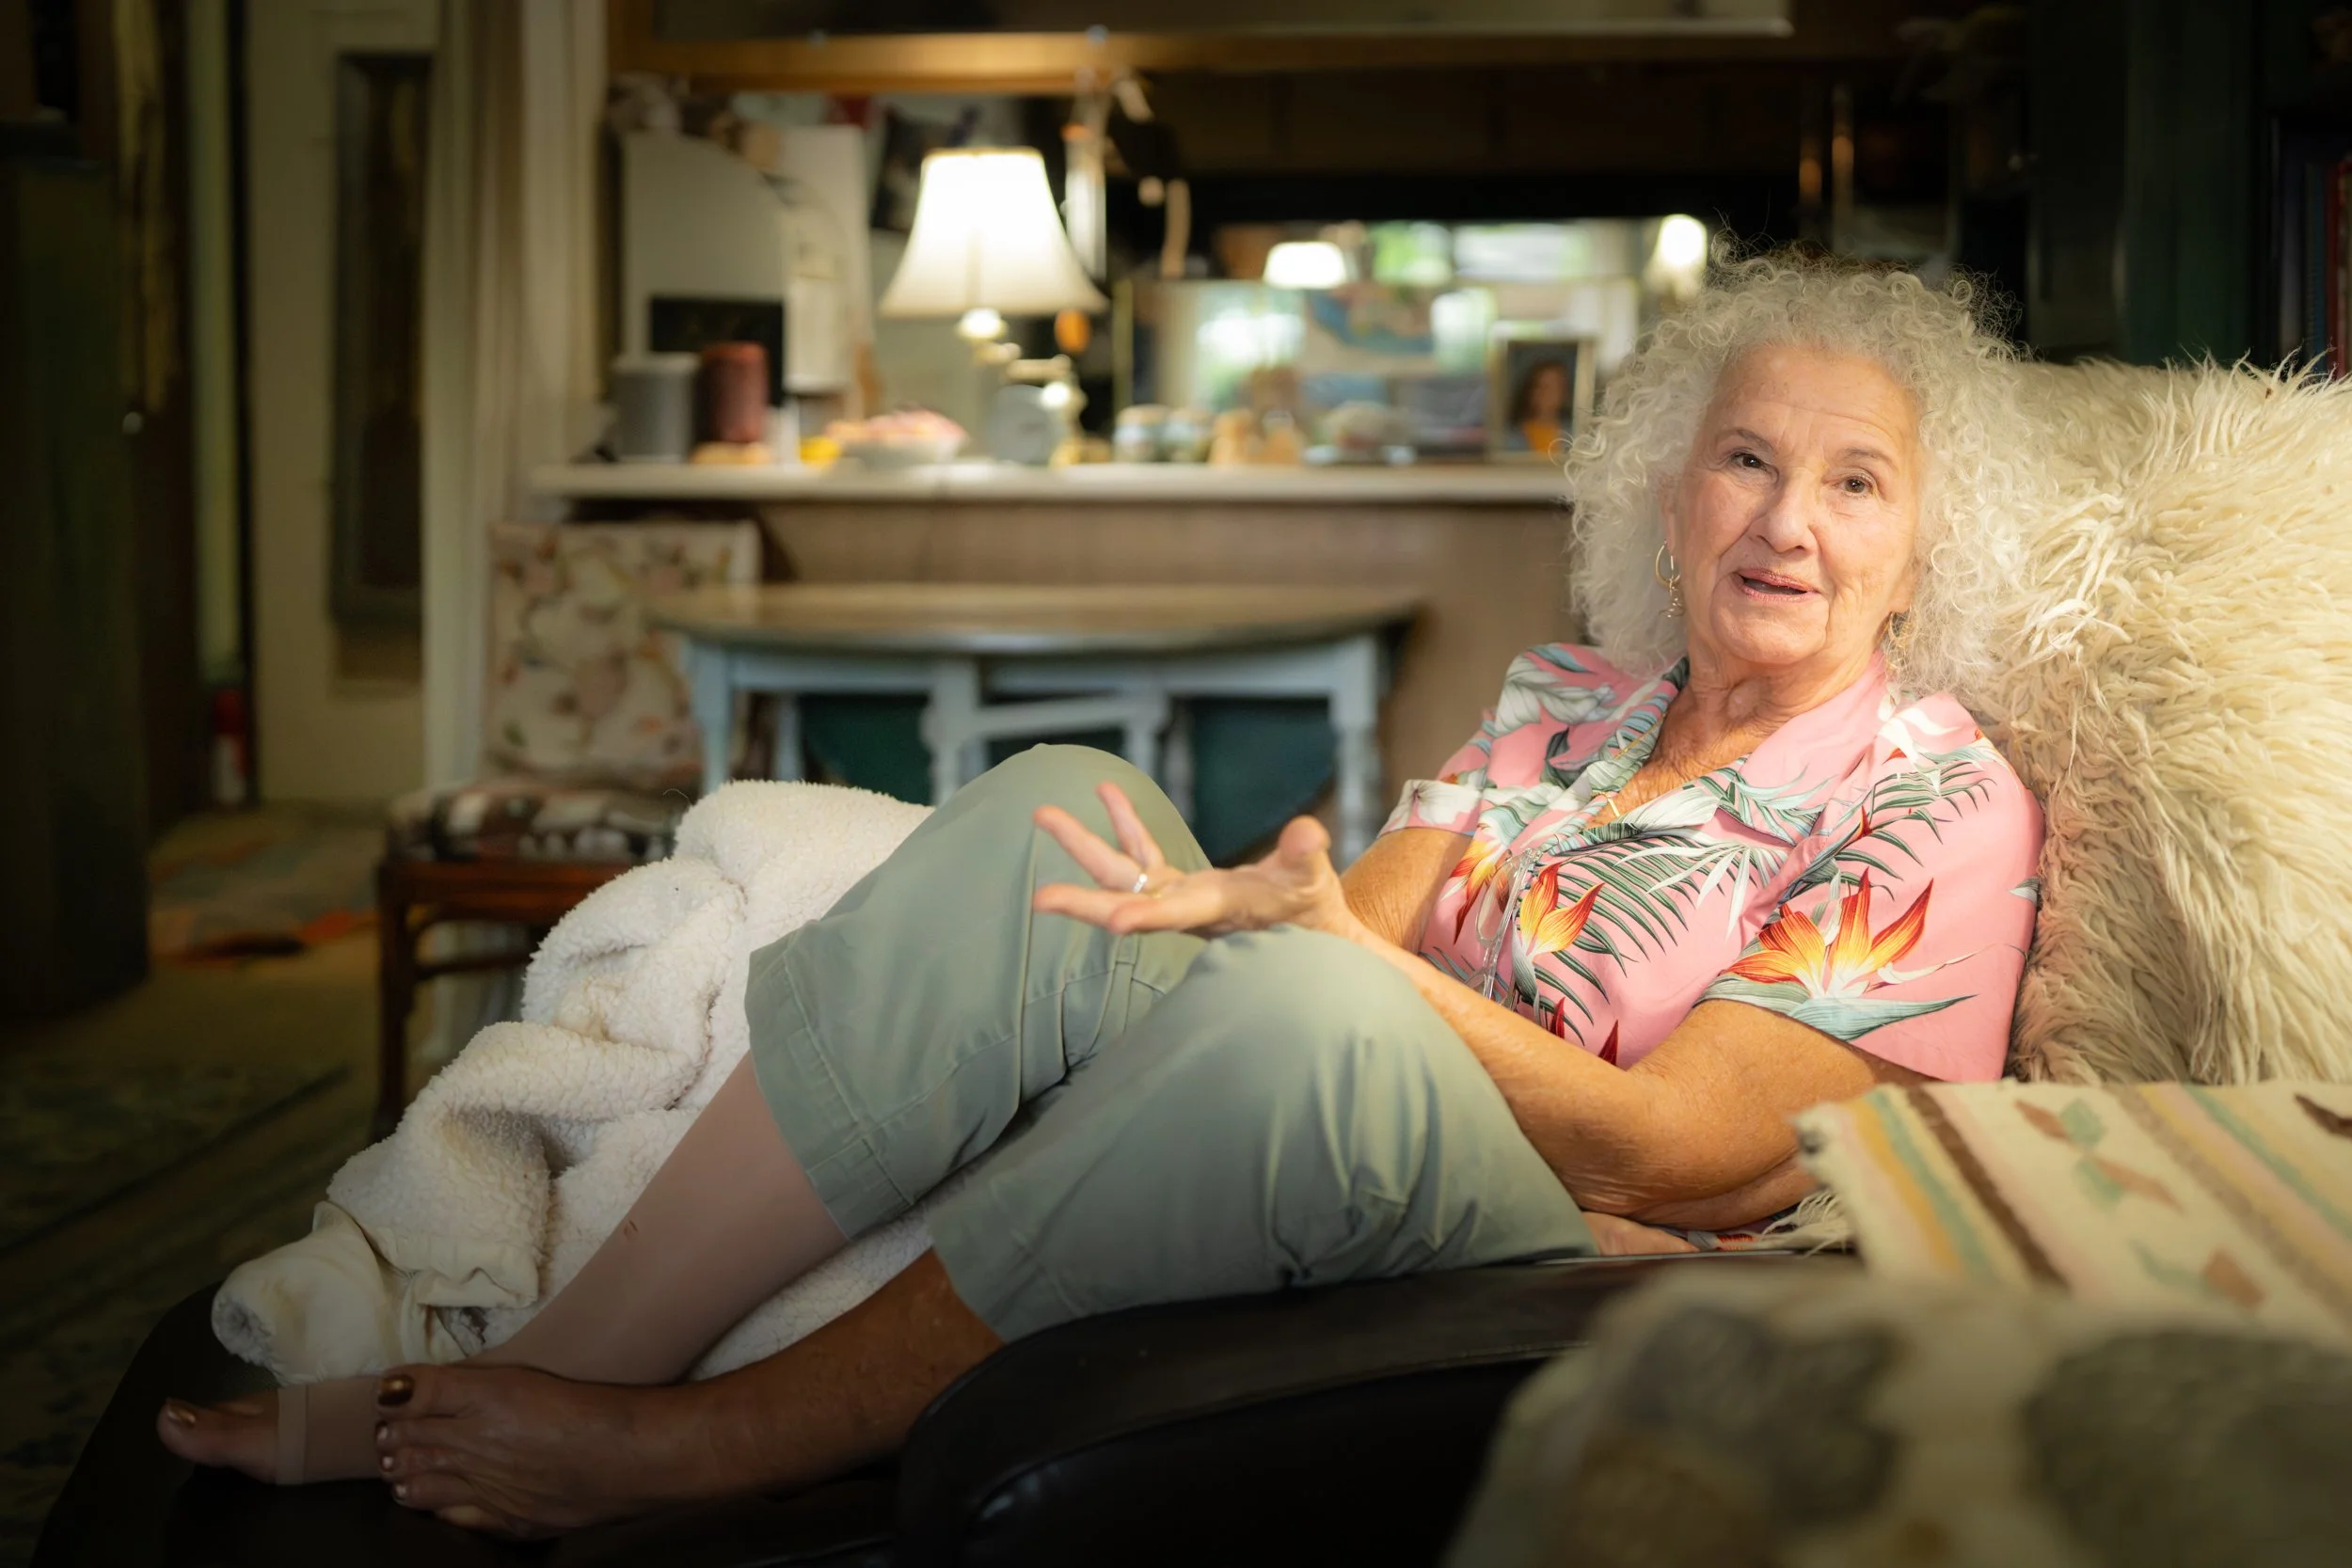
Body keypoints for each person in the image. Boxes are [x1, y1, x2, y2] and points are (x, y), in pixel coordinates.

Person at [158, 257, 2046, 1536]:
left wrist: (1329, 972)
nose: (1783, 521)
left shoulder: (1930, 801)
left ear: (1910, 551)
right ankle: (558, 1357)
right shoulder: (1568, 703)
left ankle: (683, 1445)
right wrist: (1237, 904)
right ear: (1667, 498)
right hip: (1392, 1102)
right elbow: (1356, 914)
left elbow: (1689, 1155)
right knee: (1073, 810)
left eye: (1852, 481)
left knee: (1308, 1014)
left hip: (1584, 1245)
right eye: (1742, 458)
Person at [1508, 356, 1573, 453]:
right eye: (1543, 387)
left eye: (1555, 387)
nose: (1547, 394)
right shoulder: (1511, 438)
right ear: (1530, 391)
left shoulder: (1576, 435)